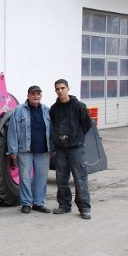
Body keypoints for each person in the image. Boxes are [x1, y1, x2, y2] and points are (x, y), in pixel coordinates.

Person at [50, 79, 93, 220]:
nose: (60, 91)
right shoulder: (54, 109)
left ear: (68, 88)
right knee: (61, 179)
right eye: (57, 89)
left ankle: (84, 208)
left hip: (76, 149)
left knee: (80, 179)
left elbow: (87, 124)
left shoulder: (79, 106)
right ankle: (64, 205)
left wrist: (76, 137)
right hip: (61, 150)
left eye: (63, 88)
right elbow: (53, 126)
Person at [7, 85, 52, 214]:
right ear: (28, 96)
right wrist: (13, 150)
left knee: (41, 178)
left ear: (41, 96)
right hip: (24, 150)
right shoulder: (19, 110)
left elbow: (51, 130)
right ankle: (26, 203)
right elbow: (12, 131)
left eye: (38, 94)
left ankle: (38, 203)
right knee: (25, 178)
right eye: (33, 94)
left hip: (43, 150)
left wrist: (52, 148)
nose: (36, 96)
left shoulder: (46, 110)